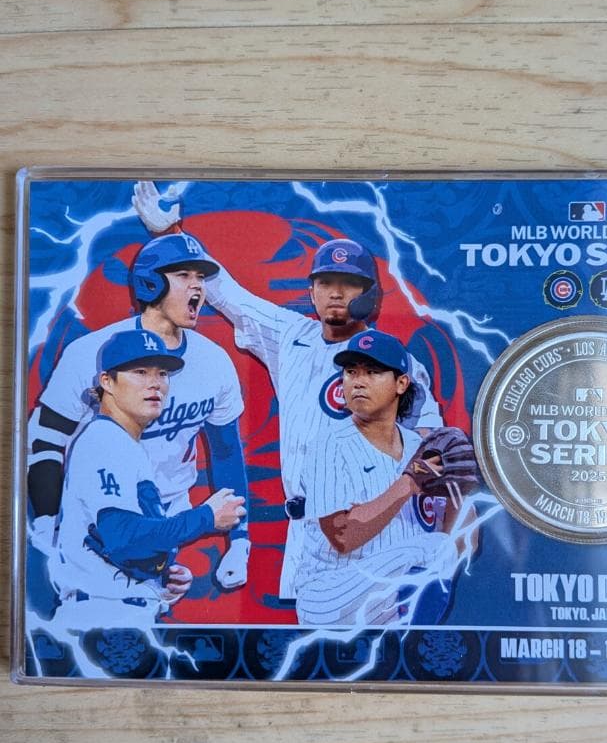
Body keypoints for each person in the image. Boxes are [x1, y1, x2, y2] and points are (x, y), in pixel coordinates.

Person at [132, 181, 444, 603]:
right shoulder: (292, 336)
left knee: (370, 633)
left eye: (349, 283)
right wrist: (170, 234)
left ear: (369, 293)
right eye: (326, 282)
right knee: (311, 636)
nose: (336, 293)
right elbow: (229, 295)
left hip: (370, 529)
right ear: (311, 290)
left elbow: (430, 443)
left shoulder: (395, 362)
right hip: (305, 531)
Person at [27, 232, 252, 590]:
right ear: (151, 283)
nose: (197, 285)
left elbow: (225, 450)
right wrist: (46, 523)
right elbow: (45, 441)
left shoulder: (213, 361)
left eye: (200, 276)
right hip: (103, 510)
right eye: (183, 275)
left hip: (170, 514)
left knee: (148, 603)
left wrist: (239, 539)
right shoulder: (91, 353)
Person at [48, 330, 246, 651]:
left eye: (162, 373)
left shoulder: (124, 443)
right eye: (140, 372)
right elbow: (122, 535)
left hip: (118, 615)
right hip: (100, 619)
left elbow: (117, 544)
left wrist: (159, 574)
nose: (155, 383)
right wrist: (206, 518)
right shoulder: (104, 440)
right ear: (107, 382)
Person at [296, 330, 462, 627]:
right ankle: (411, 645)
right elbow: (342, 536)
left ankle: (408, 643)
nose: (358, 382)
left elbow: (461, 543)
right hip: (329, 594)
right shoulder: (329, 444)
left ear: (401, 383)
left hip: (386, 597)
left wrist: (458, 492)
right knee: (432, 547)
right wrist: (409, 483)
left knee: (441, 547)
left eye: (372, 372)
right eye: (351, 372)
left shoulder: (419, 447)